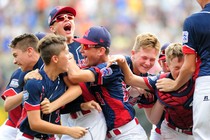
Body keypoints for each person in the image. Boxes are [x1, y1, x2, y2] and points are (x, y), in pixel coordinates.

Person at [66, 25, 148, 140]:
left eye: (85, 46)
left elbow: (75, 76)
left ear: (101, 50)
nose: (81, 50)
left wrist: (67, 56)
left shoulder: (110, 66)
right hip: (110, 134)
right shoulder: (93, 67)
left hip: (127, 134)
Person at [109, 43, 194, 140]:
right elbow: (153, 119)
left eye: (183, 67)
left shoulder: (198, 79)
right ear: (167, 64)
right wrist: (161, 99)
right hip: (167, 131)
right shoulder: (158, 82)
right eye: (176, 68)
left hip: (198, 130)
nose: (180, 71)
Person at [46, 6, 107, 140]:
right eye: (61, 18)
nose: (67, 19)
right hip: (67, 116)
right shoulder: (50, 53)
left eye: (70, 17)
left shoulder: (87, 46)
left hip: (90, 114)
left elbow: (105, 66)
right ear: (52, 28)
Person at [156, 1, 210, 139]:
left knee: (204, 136)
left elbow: (189, 66)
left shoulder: (194, 21)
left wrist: (175, 84)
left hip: (207, 81)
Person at [17, 34, 87, 140]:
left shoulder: (62, 77)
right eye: (67, 52)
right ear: (55, 58)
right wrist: (69, 130)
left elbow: (77, 89)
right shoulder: (34, 83)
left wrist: (53, 106)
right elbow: (35, 124)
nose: (70, 56)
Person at [0, 33, 45, 140]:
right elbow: (7, 105)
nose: (14, 61)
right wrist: (28, 90)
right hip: (14, 127)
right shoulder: (20, 72)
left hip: (39, 129)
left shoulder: (49, 68)